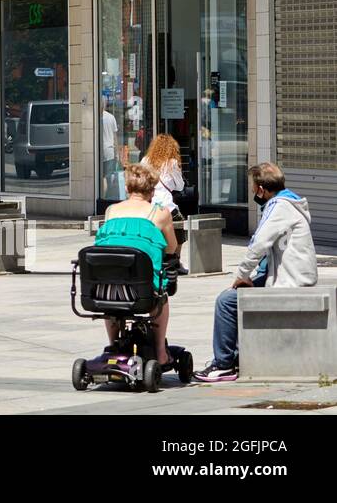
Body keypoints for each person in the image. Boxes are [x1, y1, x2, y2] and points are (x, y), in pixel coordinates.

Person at [195, 163, 317, 383]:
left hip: (289, 283)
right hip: (292, 277)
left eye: (253, 187)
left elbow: (258, 244)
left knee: (227, 300)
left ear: (261, 189)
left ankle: (224, 364)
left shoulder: (279, 206)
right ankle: (238, 356)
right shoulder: (290, 202)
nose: (252, 192)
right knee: (241, 296)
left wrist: (241, 276)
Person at [94, 164, 178, 366]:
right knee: (161, 298)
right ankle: (160, 352)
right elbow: (171, 248)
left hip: (106, 289)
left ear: (127, 188)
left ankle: (114, 344)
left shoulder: (111, 211)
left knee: (112, 296)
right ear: (152, 190)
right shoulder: (160, 213)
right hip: (143, 292)